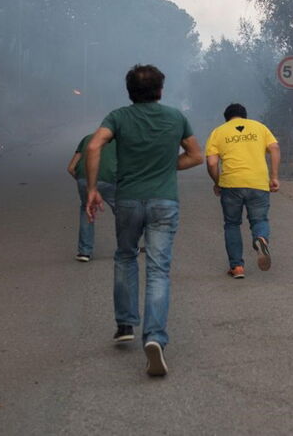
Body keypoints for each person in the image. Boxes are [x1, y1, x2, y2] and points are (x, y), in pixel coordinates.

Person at [85, 64, 202, 377]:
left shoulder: (118, 117)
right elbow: (195, 155)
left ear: (129, 92)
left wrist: (93, 189)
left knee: (125, 257)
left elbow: (94, 145)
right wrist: (164, 165)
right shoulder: (176, 117)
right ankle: (154, 338)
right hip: (164, 201)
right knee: (158, 269)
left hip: (128, 200)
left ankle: (125, 324)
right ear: (160, 90)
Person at [205, 103, 280, 279]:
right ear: (244, 116)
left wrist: (217, 182)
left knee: (232, 224)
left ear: (227, 118)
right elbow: (275, 148)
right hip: (258, 183)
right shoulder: (260, 127)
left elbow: (212, 163)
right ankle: (260, 238)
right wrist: (274, 176)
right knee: (259, 219)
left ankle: (237, 267)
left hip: (231, 185)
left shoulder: (218, 132)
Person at [67, 133, 117, 262]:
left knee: (87, 210)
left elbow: (71, 168)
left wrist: (87, 184)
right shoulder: (121, 141)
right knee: (123, 211)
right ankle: (128, 247)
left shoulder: (87, 138)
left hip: (84, 179)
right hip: (109, 179)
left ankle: (84, 252)